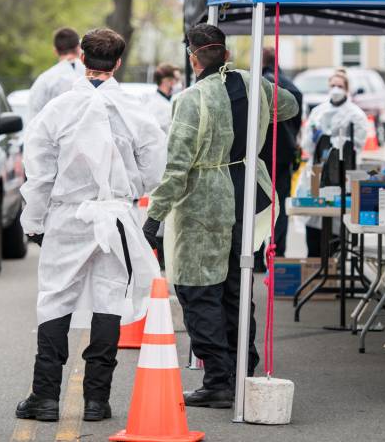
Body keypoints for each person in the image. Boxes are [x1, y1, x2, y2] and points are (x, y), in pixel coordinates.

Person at [15, 28, 165, 424]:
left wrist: (33, 220)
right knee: (109, 300)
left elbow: (39, 172)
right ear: (117, 63)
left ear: (82, 58)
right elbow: (155, 167)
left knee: (55, 297)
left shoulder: (58, 110)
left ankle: (45, 395)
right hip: (116, 214)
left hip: (68, 215)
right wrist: (129, 189)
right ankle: (97, 400)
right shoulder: (135, 110)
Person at [145, 24, 298, 408]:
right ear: (226, 54)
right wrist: (258, 109)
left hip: (205, 203)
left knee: (198, 291)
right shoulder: (251, 83)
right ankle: (242, 370)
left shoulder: (190, 100)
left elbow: (177, 167)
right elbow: (291, 105)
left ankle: (217, 380)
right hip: (249, 194)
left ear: (192, 57)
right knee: (236, 284)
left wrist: (154, 217)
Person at [301, 69, 368, 257]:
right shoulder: (318, 112)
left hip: (341, 176)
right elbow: (307, 143)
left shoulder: (355, 114)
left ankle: (333, 269)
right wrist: (315, 137)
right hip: (316, 172)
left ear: (347, 89)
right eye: (332, 86)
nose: (335, 89)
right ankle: (315, 267)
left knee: (335, 226)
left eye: (340, 86)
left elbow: (357, 145)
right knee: (314, 223)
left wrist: (336, 142)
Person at [254, 47, 302, 271]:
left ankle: (254, 258)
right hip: (283, 155)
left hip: (258, 155)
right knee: (279, 207)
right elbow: (297, 120)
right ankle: (277, 253)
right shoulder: (291, 88)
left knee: (256, 207)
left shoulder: (256, 84)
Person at [28, 27, 86, 116]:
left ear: (55, 51)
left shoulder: (45, 79)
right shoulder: (94, 76)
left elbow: (33, 115)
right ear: (79, 48)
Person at [147, 63, 181, 134]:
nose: (179, 83)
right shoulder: (153, 104)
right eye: (177, 79)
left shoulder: (176, 99)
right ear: (166, 80)